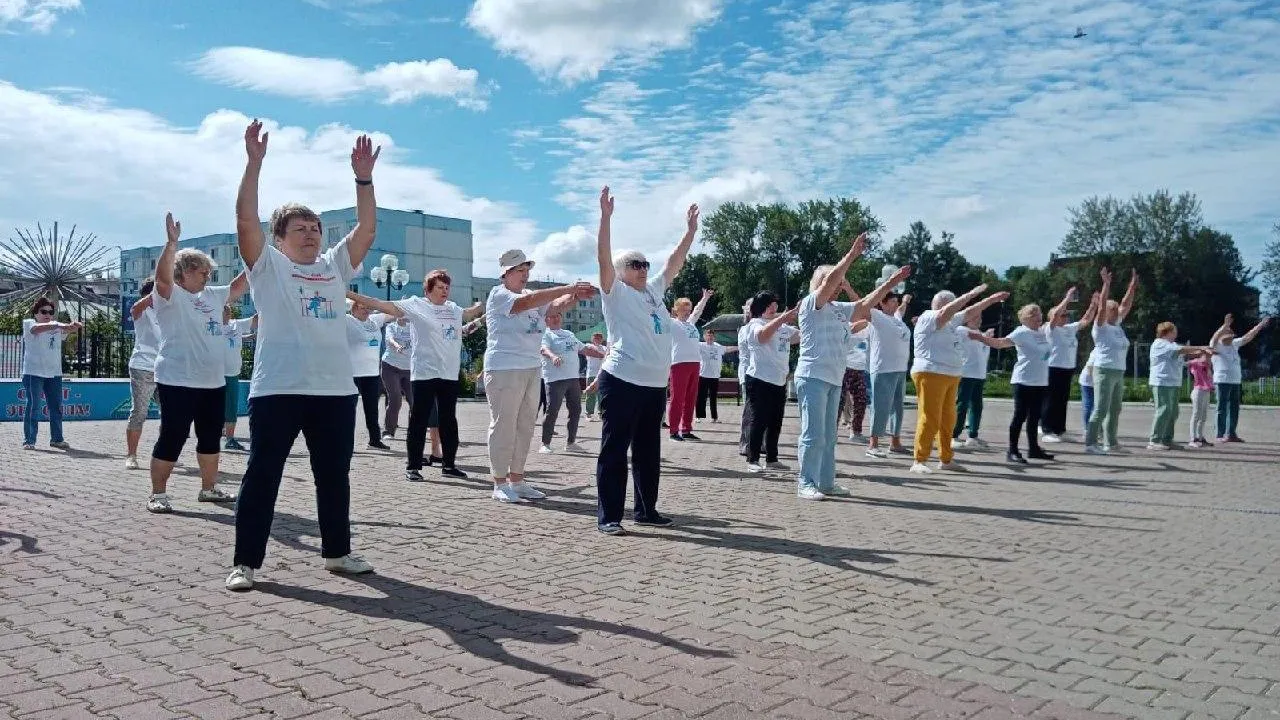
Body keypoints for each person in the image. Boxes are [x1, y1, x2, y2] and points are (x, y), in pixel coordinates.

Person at [226, 120, 381, 591]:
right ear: (281, 237)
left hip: (334, 391)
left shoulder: (334, 264)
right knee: (263, 476)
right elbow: (245, 221)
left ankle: (337, 552)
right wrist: (254, 164)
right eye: (301, 229)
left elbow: (367, 227)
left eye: (315, 228)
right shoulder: (267, 266)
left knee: (334, 477)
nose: (311, 234)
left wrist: (363, 180)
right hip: (278, 388)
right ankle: (245, 562)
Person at [594, 186, 698, 534]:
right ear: (621, 271)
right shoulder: (615, 292)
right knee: (614, 452)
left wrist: (690, 233)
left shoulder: (653, 290)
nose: (642, 269)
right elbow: (603, 260)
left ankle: (646, 510)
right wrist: (606, 218)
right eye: (634, 264)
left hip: (653, 385)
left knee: (648, 453)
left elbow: (674, 262)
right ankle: (609, 516)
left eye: (644, 264)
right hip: (622, 381)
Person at [147, 213, 248, 513]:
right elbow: (162, 276)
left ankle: (208, 489)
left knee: (209, 438)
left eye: (208, 271)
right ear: (185, 273)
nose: (207, 276)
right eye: (202, 271)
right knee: (173, 436)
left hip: (212, 382)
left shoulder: (214, 296)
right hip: (177, 380)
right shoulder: (170, 295)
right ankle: (158, 494)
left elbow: (242, 284)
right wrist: (171, 244)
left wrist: (262, 252)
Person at [347, 269, 485, 481]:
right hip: (424, 373)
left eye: (447, 287)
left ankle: (449, 465)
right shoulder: (416, 305)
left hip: (448, 374)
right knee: (419, 420)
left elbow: (467, 314)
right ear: (428, 289)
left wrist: (481, 306)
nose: (444, 291)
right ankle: (413, 467)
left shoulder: (452, 309)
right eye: (440, 287)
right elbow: (379, 304)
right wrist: (349, 293)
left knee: (449, 421)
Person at [484, 250, 595, 503]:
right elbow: (528, 303)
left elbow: (555, 307)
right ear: (506, 273)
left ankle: (517, 479)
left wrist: (575, 295)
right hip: (504, 368)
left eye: (527, 271)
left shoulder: (529, 296)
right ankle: (499, 483)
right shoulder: (498, 294)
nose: (525, 276)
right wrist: (566, 287)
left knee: (524, 426)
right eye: (520, 271)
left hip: (531, 367)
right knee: (504, 424)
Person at [790, 234, 872, 499]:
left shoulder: (837, 310)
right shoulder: (811, 303)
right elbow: (829, 282)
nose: (838, 288)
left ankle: (826, 482)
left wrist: (891, 283)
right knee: (813, 434)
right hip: (812, 375)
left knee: (828, 436)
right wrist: (850, 256)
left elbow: (864, 308)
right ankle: (805, 483)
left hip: (833, 378)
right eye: (834, 284)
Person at [908, 285, 1008, 473]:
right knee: (930, 417)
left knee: (948, 419)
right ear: (944, 304)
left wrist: (991, 300)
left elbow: (970, 311)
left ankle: (946, 459)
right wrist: (971, 293)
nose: (958, 310)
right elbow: (948, 311)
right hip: (931, 372)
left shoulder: (951, 323)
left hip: (950, 374)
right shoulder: (929, 316)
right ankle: (919, 461)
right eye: (953, 304)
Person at [979, 303, 1057, 464]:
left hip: (1040, 381)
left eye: (1039, 313)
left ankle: (1034, 449)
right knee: (1020, 416)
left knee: (1035, 417)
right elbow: (1001, 343)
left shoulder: (1041, 333)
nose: (1039, 317)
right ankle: (1012, 450)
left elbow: (1054, 321)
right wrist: (981, 338)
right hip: (1023, 380)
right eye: (1034, 314)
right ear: (1026, 318)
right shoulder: (1021, 332)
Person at [742, 292, 800, 474]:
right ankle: (753, 459)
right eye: (770, 305)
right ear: (761, 307)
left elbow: (799, 336)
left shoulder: (782, 327)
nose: (774, 308)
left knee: (776, 421)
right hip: (759, 380)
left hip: (779, 380)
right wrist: (782, 318)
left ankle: (772, 458)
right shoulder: (754, 324)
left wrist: (804, 315)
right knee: (758, 421)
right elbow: (762, 337)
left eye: (775, 305)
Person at [1084, 268, 1138, 455]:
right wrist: (1106, 285)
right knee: (1100, 408)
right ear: (1106, 312)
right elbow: (1101, 309)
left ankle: (1111, 442)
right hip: (1104, 370)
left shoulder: (1117, 326)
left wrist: (1132, 285)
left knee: (1115, 408)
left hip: (1118, 371)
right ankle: (1091, 443)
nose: (1116, 311)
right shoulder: (1100, 327)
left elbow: (1126, 303)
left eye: (1116, 309)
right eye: (1112, 309)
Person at [537, 312, 605, 454]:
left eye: (558, 316)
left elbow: (584, 349)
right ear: (546, 320)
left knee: (576, 410)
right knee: (552, 411)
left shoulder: (569, 334)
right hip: (555, 379)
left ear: (561, 318)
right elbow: (543, 349)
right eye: (552, 317)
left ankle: (571, 442)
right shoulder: (546, 334)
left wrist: (603, 355)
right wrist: (553, 356)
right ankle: (545, 444)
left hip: (573, 378)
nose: (555, 318)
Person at [20, 298, 80, 450]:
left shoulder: (56, 328)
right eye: (43, 312)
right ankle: (29, 440)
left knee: (56, 407)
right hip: (34, 372)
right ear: (36, 314)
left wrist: (74, 326)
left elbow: (68, 330)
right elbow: (40, 329)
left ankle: (57, 439)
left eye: (50, 312)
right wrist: (61, 325)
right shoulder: (30, 324)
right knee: (33, 406)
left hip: (54, 373)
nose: (47, 314)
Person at [1040, 286, 1097, 443]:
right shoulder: (1050, 329)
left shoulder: (1069, 328)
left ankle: (1059, 429)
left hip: (1067, 368)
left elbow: (1086, 319)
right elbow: (1056, 313)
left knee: (1062, 400)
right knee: (1051, 400)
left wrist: (1094, 304)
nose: (1065, 317)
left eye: (1066, 315)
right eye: (1062, 315)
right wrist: (1067, 298)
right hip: (1053, 367)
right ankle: (1047, 430)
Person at [1147, 322, 1212, 451]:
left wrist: (1204, 351)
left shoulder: (1172, 345)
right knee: (1163, 410)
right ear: (1167, 332)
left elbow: (1186, 353)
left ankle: (1167, 439)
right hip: (1162, 382)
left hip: (1173, 382)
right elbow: (1182, 350)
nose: (1176, 333)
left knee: (1173, 412)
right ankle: (1154, 440)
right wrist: (1202, 347)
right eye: (1174, 331)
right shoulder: (1159, 343)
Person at [1208, 313, 1271, 443]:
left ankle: (1231, 433)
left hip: (1235, 379)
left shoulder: (1234, 344)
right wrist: (1224, 326)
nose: (1231, 338)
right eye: (1228, 336)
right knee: (1222, 407)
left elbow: (1248, 336)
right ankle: (1220, 433)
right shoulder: (1216, 345)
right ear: (1222, 336)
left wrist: (1260, 325)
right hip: (1222, 380)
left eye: (1231, 336)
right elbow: (1214, 338)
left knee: (1234, 407)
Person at [866, 291, 912, 458]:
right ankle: (873, 443)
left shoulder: (897, 319)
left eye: (896, 301)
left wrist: (905, 300)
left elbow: (901, 310)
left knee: (897, 408)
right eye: (891, 301)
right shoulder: (877, 316)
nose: (895, 304)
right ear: (882, 303)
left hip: (900, 369)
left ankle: (895, 442)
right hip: (883, 368)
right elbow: (862, 304)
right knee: (880, 407)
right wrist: (849, 289)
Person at [667, 289, 714, 440]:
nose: (687, 313)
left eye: (688, 310)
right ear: (676, 311)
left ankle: (686, 429)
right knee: (677, 398)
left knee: (690, 399)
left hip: (695, 364)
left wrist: (705, 298)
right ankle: (673, 431)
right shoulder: (672, 323)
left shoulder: (691, 324)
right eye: (684, 310)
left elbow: (698, 311)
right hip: (679, 364)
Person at [345, 299, 393, 450]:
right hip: (351, 373)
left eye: (368, 308)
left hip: (371, 373)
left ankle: (374, 440)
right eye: (361, 308)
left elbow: (393, 313)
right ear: (353, 309)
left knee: (372, 408)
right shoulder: (347, 320)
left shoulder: (374, 320)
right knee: (347, 410)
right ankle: (345, 442)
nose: (366, 310)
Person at [124, 280, 160, 468]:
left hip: (165, 369)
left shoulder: (168, 312)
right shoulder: (141, 311)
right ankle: (131, 455)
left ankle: (163, 452)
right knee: (139, 412)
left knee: (172, 413)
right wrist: (160, 289)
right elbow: (136, 308)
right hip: (142, 366)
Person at [953, 315, 992, 449]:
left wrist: (986, 338)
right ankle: (953, 435)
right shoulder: (961, 330)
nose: (979, 320)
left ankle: (972, 436)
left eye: (980, 317)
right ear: (967, 319)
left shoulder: (980, 334)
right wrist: (985, 337)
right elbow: (975, 338)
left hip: (979, 374)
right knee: (962, 405)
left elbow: (984, 351)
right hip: (966, 373)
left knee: (977, 405)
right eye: (975, 317)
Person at [222, 308, 257, 451]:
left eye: (227, 310)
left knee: (231, 406)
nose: (227, 311)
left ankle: (230, 439)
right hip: (213, 373)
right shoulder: (209, 325)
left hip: (232, 373)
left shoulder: (236, 324)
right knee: (212, 406)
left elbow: (255, 320)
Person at [380, 317, 412, 439]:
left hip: (409, 369)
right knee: (396, 399)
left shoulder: (414, 327)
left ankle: (414, 430)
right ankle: (388, 431)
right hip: (390, 367)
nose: (404, 316)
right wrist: (397, 345)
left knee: (415, 401)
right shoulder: (391, 327)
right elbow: (390, 339)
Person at [839, 317, 871, 442]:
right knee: (839, 402)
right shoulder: (846, 324)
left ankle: (856, 432)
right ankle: (832, 432)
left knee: (861, 401)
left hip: (860, 369)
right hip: (844, 368)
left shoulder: (868, 328)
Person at [696, 328, 736, 423]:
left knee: (713, 398)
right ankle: (698, 416)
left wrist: (740, 346)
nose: (710, 337)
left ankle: (714, 417)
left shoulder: (718, 346)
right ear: (704, 337)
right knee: (701, 397)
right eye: (708, 335)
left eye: (711, 336)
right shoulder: (700, 345)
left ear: (714, 337)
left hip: (714, 376)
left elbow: (728, 349)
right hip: (703, 375)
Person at [736, 298, 754, 456]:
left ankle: (758, 443)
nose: (748, 311)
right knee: (750, 411)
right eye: (747, 308)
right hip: (748, 374)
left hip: (760, 374)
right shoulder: (745, 329)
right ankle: (746, 443)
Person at [1186, 352, 1214, 448]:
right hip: (1198, 391)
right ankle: (1192, 438)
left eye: (1210, 356)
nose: (1209, 358)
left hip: (1206, 391)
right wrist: (1196, 359)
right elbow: (1187, 363)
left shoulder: (1208, 366)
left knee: (1203, 416)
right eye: (1206, 355)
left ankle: (1200, 437)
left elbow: (1209, 378)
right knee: (1196, 414)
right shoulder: (1196, 364)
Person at [584, 332, 608, 421]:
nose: (597, 340)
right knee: (590, 394)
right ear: (592, 339)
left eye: (599, 338)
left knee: (601, 395)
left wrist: (603, 353)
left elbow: (607, 356)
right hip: (591, 374)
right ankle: (588, 414)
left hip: (601, 374)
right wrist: (601, 354)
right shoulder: (588, 346)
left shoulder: (605, 348)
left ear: (602, 339)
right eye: (595, 338)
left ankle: (600, 413)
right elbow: (591, 349)